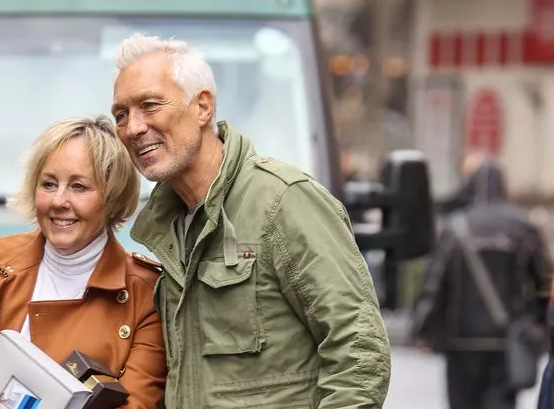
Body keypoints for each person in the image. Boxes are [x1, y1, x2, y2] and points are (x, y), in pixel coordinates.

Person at [111, 34, 391, 408]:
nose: (133, 127)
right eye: (121, 115)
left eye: (149, 105)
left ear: (202, 107)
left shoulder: (284, 200)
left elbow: (359, 352)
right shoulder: (167, 225)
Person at [0, 115, 167, 408]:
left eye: (79, 187)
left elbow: (136, 404)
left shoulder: (145, 294)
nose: (58, 201)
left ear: (112, 198)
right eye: (48, 184)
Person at [413, 160, 551, 409]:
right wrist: (540, 325)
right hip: (505, 339)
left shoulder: (456, 227)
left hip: (462, 340)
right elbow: (543, 281)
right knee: (501, 402)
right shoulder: (522, 227)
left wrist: (423, 329)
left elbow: (435, 284)